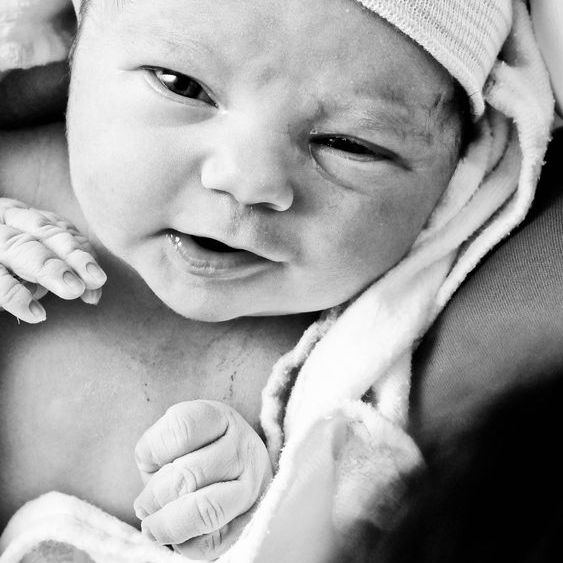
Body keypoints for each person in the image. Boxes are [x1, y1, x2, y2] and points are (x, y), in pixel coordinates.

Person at [0, 0, 554, 561]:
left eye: (348, 145)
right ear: (78, 39)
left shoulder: (355, 369)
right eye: (182, 86)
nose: (248, 179)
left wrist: (255, 506)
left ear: (459, 171)